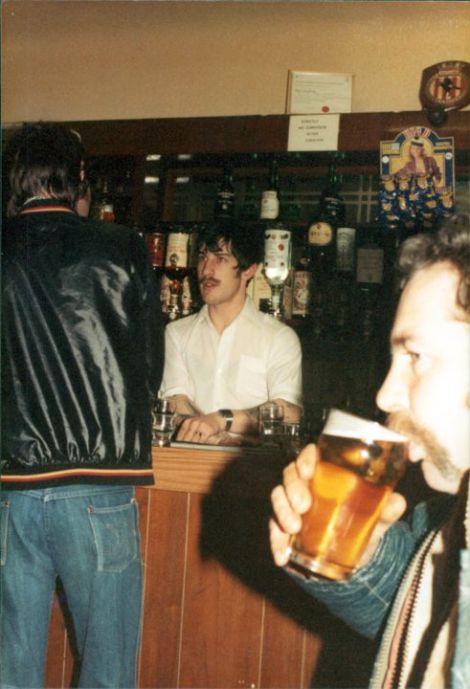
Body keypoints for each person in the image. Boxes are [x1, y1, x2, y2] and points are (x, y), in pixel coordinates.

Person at [270, 214, 470, 689]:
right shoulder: (451, 518)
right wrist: (360, 555)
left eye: (415, 357)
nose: (385, 395)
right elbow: (426, 616)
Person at [0, 122, 164, 689]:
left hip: (9, 491)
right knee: (108, 667)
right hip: (99, 485)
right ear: (81, 178)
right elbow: (149, 367)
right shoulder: (122, 248)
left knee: (10, 667)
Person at [159, 221, 303, 445]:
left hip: (252, 467)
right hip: (189, 459)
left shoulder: (279, 338)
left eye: (220, 259)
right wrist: (215, 437)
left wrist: (221, 419)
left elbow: (289, 412)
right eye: (203, 257)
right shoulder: (177, 333)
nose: (207, 270)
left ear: (249, 270)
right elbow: (176, 401)